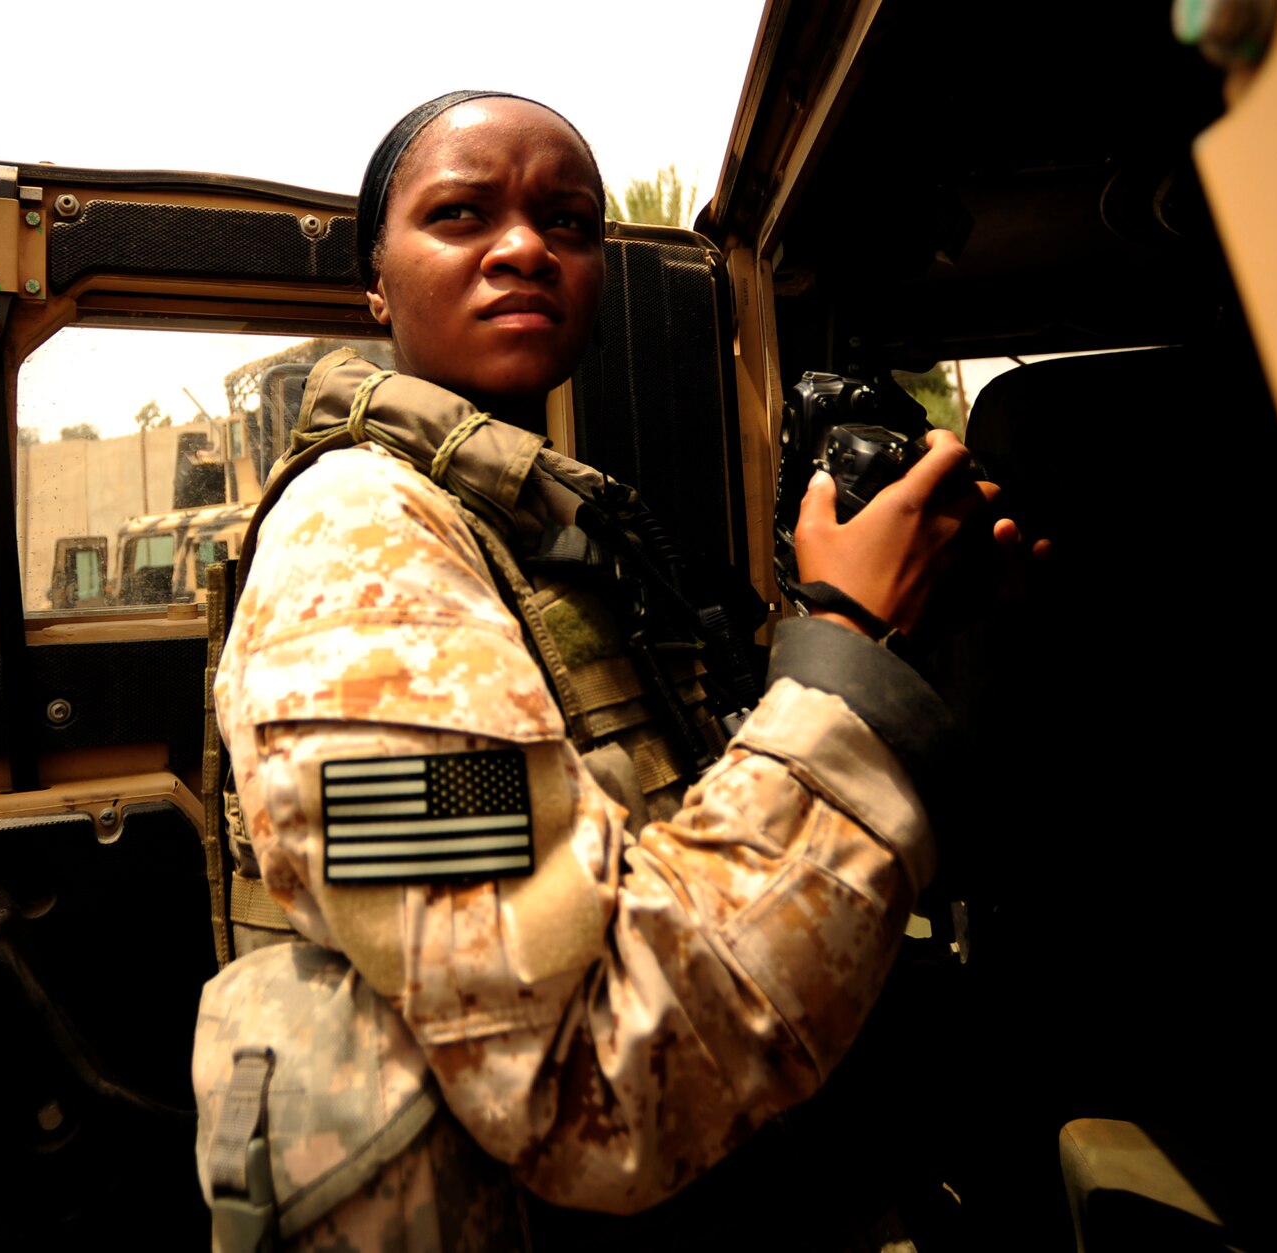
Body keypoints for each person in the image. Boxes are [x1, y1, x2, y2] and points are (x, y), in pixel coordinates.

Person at [193, 90, 1017, 1252]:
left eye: (568, 221)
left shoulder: (542, 528)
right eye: (461, 213)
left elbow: (627, 840)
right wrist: (850, 656)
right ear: (374, 283)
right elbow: (588, 1085)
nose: (525, 246)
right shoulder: (362, 542)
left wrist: (914, 631)